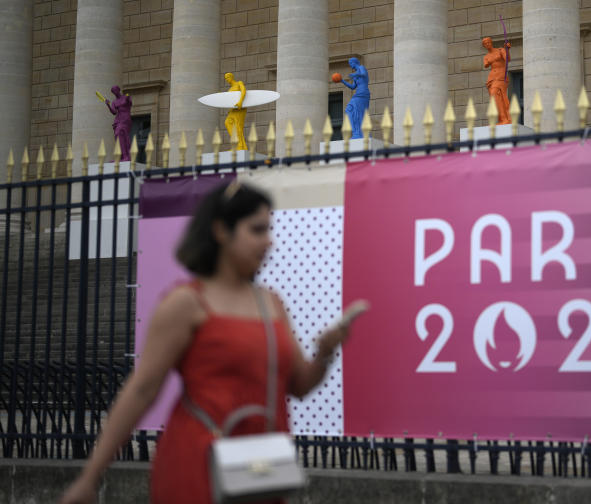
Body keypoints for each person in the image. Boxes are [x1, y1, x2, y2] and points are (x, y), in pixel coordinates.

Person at [60, 181, 368, 504]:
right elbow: (141, 391)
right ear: (222, 231)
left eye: (269, 229)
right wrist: (91, 476)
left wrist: (326, 350)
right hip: (197, 467)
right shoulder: (185, 303)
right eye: (257, 230)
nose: (269, 241)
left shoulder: (271, 303)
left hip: (260, 471)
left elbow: (298, 385)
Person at [96, 85, 133, 161]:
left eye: (115, 90)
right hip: (118, 119)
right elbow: (114, 112)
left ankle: (126, 156)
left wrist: (128, 98)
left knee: (121, 134)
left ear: (118, 90)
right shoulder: (114, 102)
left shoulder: (125, 97)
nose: (114, 92)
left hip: (125, 118)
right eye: (113, 91)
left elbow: (130, 103)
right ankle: (121, 156)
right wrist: (108, 105)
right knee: (117, 136)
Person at [481, 37, 511, 125]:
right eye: (485, 44)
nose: (487, 44)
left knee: (495, 93)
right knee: (494, 98)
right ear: (484, 46)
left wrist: (507, 50)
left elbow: (507, 59)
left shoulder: (500, 50)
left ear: (491, 42)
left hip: (501, 75)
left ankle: (505, 118)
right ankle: (502, 119)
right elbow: (486, 64)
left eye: (488, 42)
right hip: (492, 77)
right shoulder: (486, 57)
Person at [341, 58, 370, 139]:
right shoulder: (356, 73)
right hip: (357, 94)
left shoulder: (361, 67)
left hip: (363, 93)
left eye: (350, 63)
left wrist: (355, 75)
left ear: (354, 62)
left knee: (360, 112)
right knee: (349, 110)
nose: (350, 65)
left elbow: (364, 74)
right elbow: (353, 87)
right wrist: (342, 81)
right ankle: (356, 132)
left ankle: (360, 133)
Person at [224, 72, 248, 150]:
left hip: (240, 108)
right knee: (227, 122)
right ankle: (236, 142)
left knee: (238, 126)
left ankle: (240, 146)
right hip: (233, 109)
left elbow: (243, 90)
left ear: (231, 77)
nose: (227, 79)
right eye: (225, 78)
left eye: (227, 77)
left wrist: (241, 101)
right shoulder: (230, 89)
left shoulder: (239, 83)